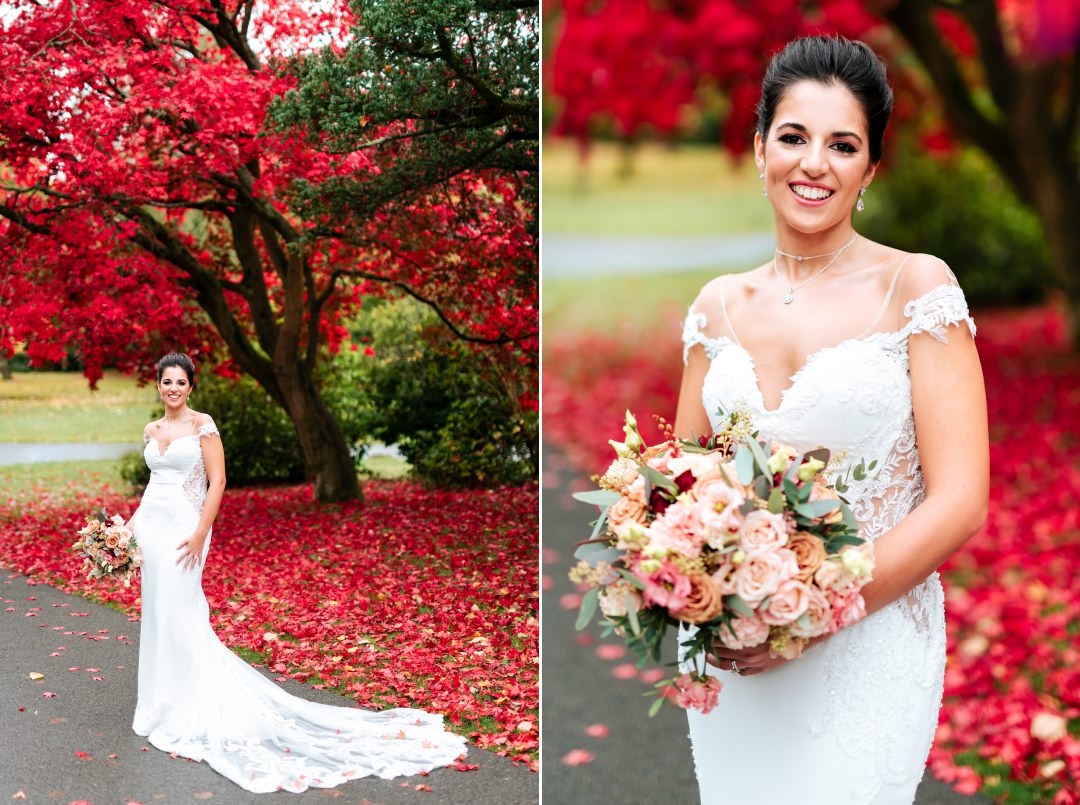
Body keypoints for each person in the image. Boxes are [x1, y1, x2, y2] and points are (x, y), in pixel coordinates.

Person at [674, 36, 988, 804]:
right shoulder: (718, 304)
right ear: (759, 150)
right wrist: (690, 577)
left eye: (842, 144)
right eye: (793, 136)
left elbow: (961, 500)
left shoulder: (916, 287)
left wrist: (814, 611)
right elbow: (678, 470)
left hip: (865, 644)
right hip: (732, 648)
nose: (814, 163)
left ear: (870, 169)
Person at [123, 352, 467, 793]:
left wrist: (199, 533)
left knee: (179, 613)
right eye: (166, 382)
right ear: (158, 385)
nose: (173, 389)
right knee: (156, 614)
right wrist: (124, 531)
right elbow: (153, 488)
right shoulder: (152, 430)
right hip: (151, 531)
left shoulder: (203, 425)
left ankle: (196, 702)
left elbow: (219, 482)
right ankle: (161, 702)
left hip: (186, 529)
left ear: (191, 386)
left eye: (180, 382)